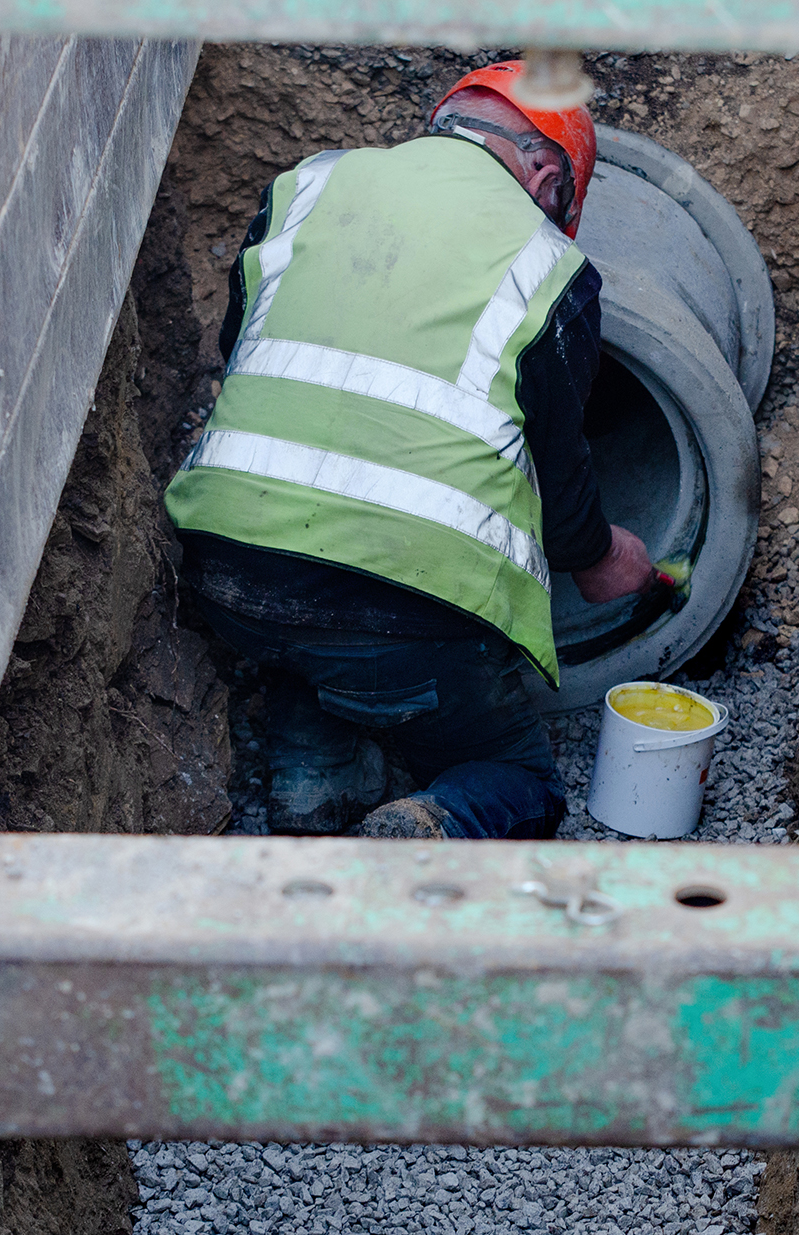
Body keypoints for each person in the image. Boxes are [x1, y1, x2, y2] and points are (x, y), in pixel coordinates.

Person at [165, 61, 657, 841]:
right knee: (520, 778)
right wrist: (601, 556)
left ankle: (312, 783)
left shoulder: (307, 187)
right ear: (545, 177)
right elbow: (557, 467)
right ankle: (431, 822)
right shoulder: (548, 266)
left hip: (227, 570)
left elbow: (242, 351)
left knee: (312, 631)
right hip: (408, 617)